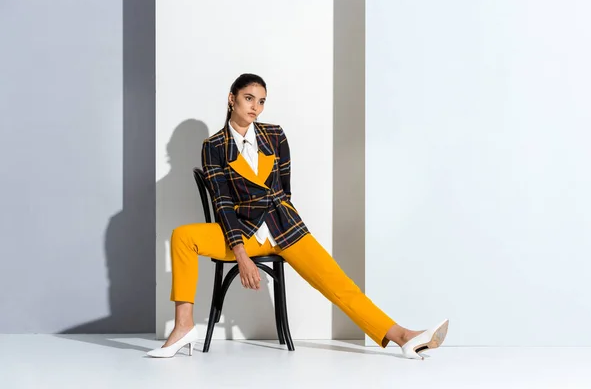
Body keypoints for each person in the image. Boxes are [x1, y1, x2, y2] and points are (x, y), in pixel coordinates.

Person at [147, 73, 449, 360]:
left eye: (262, 101)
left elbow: (285, 190)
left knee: (338, 283)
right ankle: (184, 326)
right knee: (183, 236)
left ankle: (403, 337)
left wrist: (283, 222)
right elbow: (223, 203)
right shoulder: (214, 147)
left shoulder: (274, 135)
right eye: (249, 98)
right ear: (232, 99)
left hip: (284, 228)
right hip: (243, 234)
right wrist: (240, 253)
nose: (256, 107)